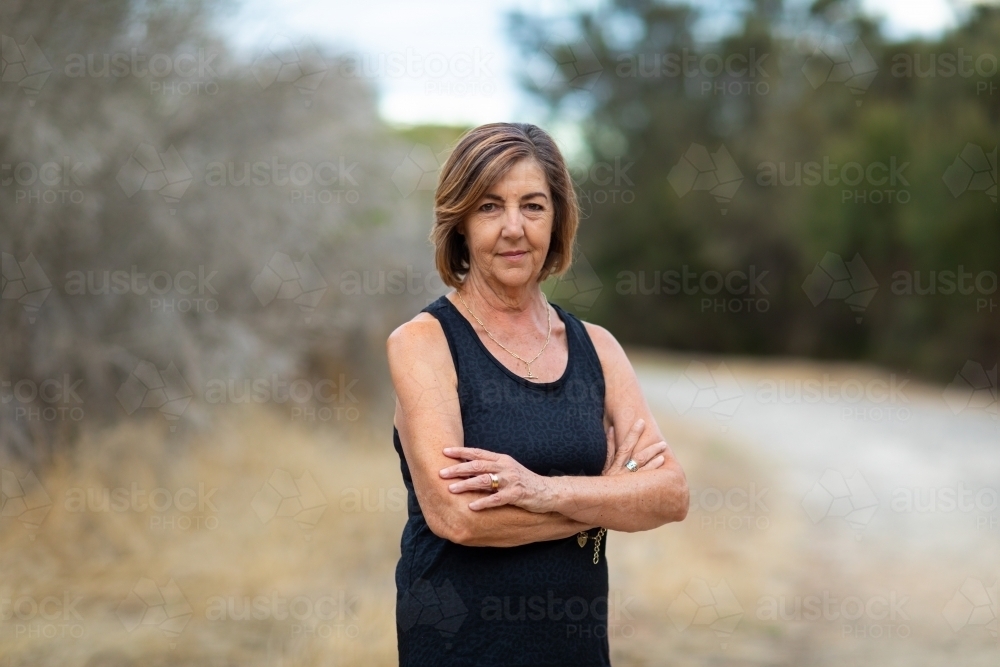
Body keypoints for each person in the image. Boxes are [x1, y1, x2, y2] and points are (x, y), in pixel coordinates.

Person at [387, 122, 689, 667]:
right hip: (459, 645)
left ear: (557, 219)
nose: (513, 228)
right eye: (489, 207)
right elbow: (460, 519)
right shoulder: (423, 343)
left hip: (574, 647)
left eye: (532, 206)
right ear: (459, 222)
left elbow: (669, 495)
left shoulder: (597, 348)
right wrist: (608, 500)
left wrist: (542, 492)